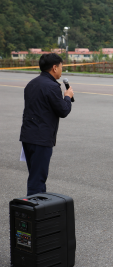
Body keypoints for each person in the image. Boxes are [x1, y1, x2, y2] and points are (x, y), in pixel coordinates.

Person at [20, 53, 73, 196]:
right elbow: (63, 110)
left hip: (27, 136)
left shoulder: (32, 83)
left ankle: (38, 207)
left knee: (35, 174)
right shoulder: (51, 86)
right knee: (37, 179)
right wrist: (67, 97)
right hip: (41, 138)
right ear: (54, 68)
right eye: (61, 67)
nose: (62, 70)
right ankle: (34, 212)